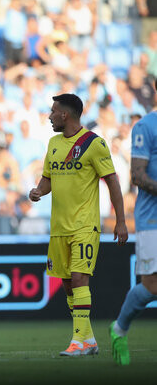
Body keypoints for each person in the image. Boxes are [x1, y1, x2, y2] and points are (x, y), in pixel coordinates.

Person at [29, 93, 128, 357]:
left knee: (79, 278)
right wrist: (38, 191)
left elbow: (113, 182)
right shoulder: (52, 143)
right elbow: (48, 179)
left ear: (65, 115)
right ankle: (88, 339)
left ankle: (79, 341)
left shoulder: (94, 144)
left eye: (53, 112)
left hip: (85, 225)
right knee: (67, 283)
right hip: (59, 226)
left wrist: (120, 220)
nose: (49, 116)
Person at [110, 97, 157, 366]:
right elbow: (137, 175)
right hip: (153, 218)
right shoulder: (146, 126)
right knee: (152, 286)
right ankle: (119, 330)